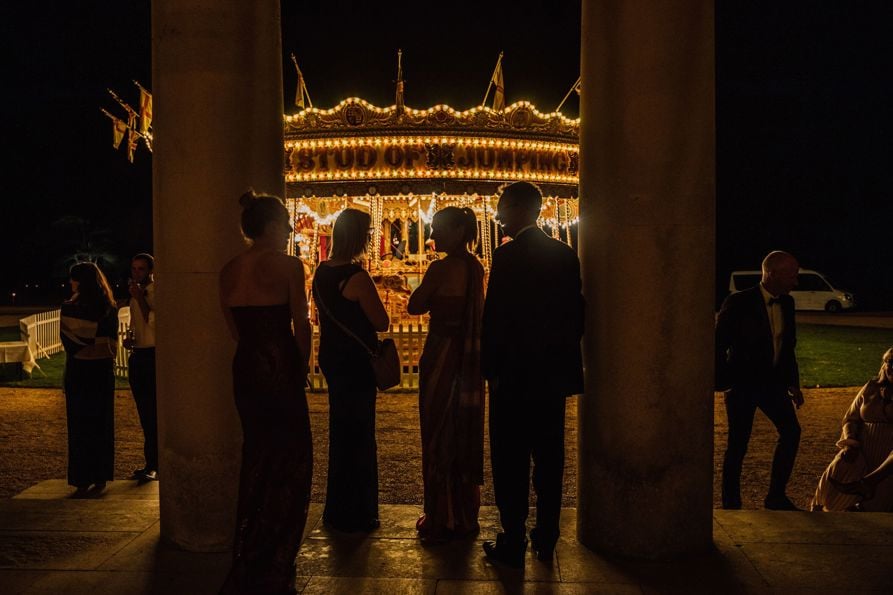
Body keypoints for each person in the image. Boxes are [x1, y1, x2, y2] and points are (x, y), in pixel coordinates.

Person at [481, 182, 584, 567]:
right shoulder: (564, 255)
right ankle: (547, 534)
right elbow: (576, 314)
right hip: (550, 376)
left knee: (510, 459)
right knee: (549, 456)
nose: (499, 216)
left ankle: (513, 536)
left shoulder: (507, 257)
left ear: (521, 209)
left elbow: (495, 319)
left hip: (512, 375)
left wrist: (490, 368)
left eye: (503, 208)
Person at [219, 190, 313, 594]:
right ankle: (275, 551)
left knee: (257, 453)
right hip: (279, 364)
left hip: (247, 365)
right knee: (292, 457)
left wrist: (256, 353)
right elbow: (301, 322)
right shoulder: (289, 265)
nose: (291, 229)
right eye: (287, 223)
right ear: (272, 226)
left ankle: (250, 545)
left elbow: (233, 326)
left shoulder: (229, 269)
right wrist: (301, 365)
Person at [407, 207, 485, 544]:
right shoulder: (475, 267)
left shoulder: (440, 268)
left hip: (441, 354)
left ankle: (441, 513)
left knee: (438, 431)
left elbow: (415, 305)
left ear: (457, 230)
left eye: (439, 228)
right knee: (461, 430)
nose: (433, 234)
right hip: (465, 359)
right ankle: (463, 511)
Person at [312, 208, 389, 532]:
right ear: (359, 238)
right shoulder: (356, 276)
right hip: (355, 361)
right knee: (360, 434)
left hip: (332, 355)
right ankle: (360, 509)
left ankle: (337, 507)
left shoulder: (320, 271)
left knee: (340, 431)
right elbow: (381, 321)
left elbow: (320, 316)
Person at [715, 250, 804, 511]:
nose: (795, 282)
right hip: (742, 385)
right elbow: (718, 344)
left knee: (791, 431)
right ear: (771, 273)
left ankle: (776, 496)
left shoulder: (787, 303)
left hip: (773, 384)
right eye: (792, 275)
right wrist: (724, 380)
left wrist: (793, 383)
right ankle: (731, 504)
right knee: (737, 444)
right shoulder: (738, 302)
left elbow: (788, 346)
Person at [60, 262, 118, 497]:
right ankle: (101, 474)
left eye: (73, 279)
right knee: (102, 423)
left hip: (79, 370)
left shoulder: (69, 307)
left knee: (79, 424)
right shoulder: (109, 307)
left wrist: (86, 346)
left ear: (79, 282)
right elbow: (110, 344)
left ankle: (81, 477)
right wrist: (97, 346)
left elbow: (70, 343)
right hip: (102, 370)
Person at [811, 347, 893, 512]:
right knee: (839, 467)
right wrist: (850, 442)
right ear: (884, 364)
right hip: (862, 449)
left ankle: (868, 485)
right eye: (891, 362)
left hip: (888, 457)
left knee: (873, 508)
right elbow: (850, 418)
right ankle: (819, 509)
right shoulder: (871, 387)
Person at [125, 253, 158, 482]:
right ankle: (150, 461)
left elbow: (155, 320)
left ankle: (154, 464)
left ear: (150, 271)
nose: (137, 273)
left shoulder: (154, 292)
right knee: (144, 412)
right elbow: (137, 323)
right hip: (138, 352)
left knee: (152, 411)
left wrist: (140, 298)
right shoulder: (134, 294)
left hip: (152, 354)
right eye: (134, 269)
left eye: (141, 269)